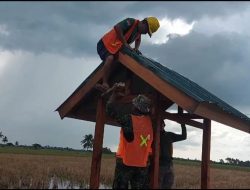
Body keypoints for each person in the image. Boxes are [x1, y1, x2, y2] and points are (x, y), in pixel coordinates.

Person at [105, 83, 154, 189]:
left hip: (126, 162)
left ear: (135, 107)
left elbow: (110, 109)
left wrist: (114, 94)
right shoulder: (150, 123)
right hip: (142, 165)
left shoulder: (129, 119)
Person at [96, 17, 160, 92]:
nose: (146, 33)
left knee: (122, 61)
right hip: (105, 44)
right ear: (144, 23)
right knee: (110, 58)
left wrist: (136, 48)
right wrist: (125, 43)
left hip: (114, 48)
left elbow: (138, 39)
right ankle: (104, 83)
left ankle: (126, 87)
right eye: (146, 30)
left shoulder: (138, 32)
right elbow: (117, 27)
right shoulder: (131, 21)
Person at [159, 120, 187, 189]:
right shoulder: (153, 134)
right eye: (158, 124)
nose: (160, 126)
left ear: (164, 125)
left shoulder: (169, 135)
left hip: (169, 165)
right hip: (158, 166)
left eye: (161, 124)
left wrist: (183, 125)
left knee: (168, 186)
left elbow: (183, 136)